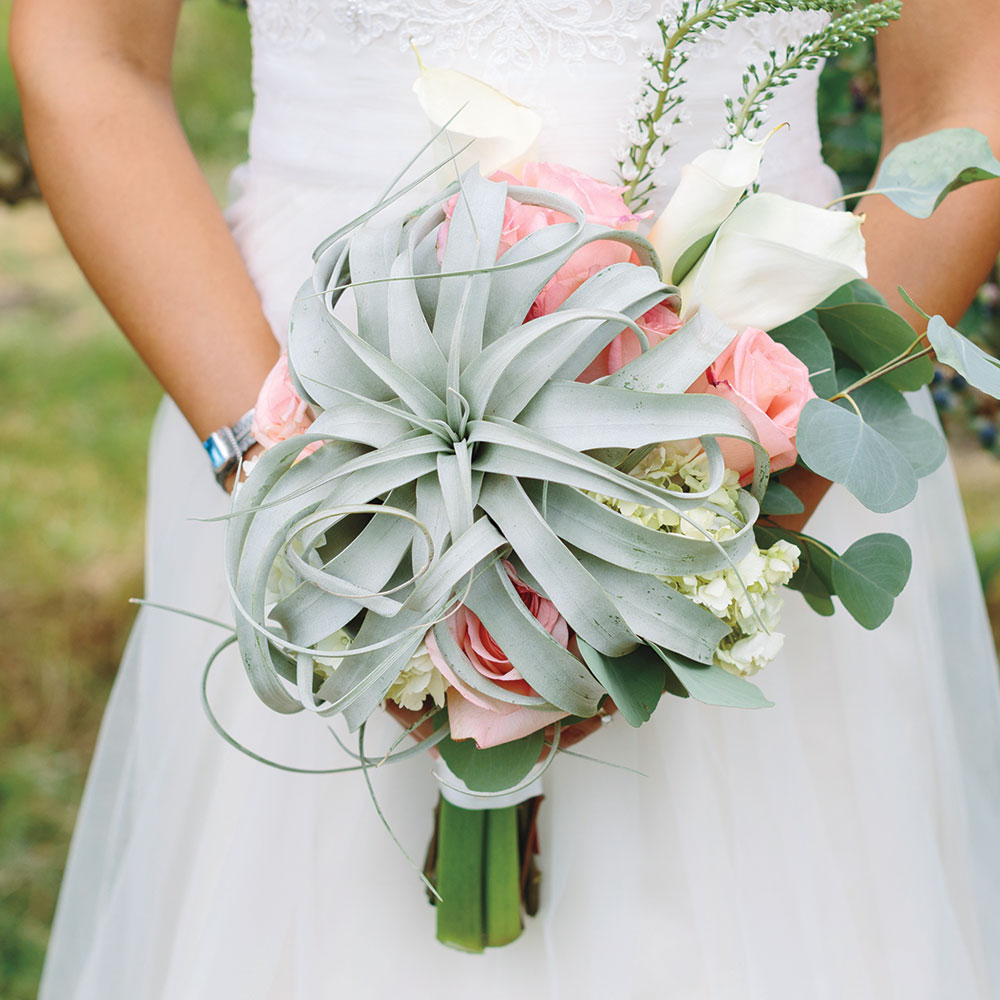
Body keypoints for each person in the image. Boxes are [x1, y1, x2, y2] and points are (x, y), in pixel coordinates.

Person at [11, 1, 1000, 996]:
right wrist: (295, 500)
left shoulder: (746, 494)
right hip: (298, 409)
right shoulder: (292, 475)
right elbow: (85, 50)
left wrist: (710, 549)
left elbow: (969, 93)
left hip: (749, 398)